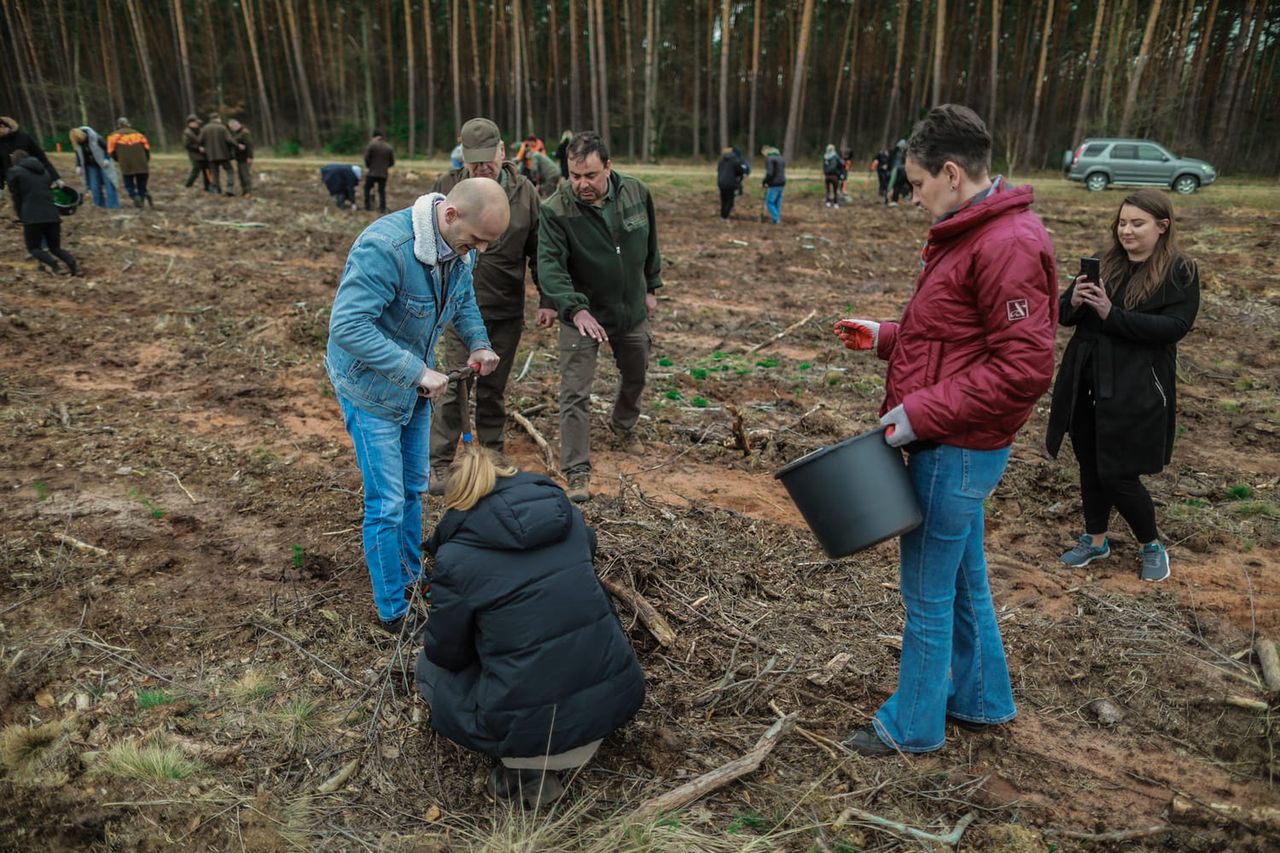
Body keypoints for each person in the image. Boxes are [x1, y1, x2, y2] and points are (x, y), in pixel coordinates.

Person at [833, 104, 1057, 756]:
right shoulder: (976, 231)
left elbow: (1023, 368)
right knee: (962, 579)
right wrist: (886, 337)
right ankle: (982, 698)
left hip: (954, 448)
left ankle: (913, 725)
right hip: (955, 440)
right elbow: (957, 339)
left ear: (952, 173)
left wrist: (920, 414)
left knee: (926, 592)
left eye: (918, 183)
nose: (914, 195)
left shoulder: (1004, 243)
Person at [414, 446, 645, 806]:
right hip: (611, 706)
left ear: (459, 499)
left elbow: (447, 654)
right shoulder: (568, 517)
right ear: (510, 475)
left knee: (428, 668)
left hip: (531, 733)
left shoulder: (457, 558)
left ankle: (524, 771)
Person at [325, 179, 508, 633]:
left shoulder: (459, 249)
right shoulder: (385, 248)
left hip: (413, 387)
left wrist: (479, 342)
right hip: (370, 389)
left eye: (487, 243)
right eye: (477, 240)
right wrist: (416, 370)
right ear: (451, 215)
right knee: (387, 502)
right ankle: (392, 609)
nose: (480, 251)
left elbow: (462, 299)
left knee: (413, 489)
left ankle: (409, 576)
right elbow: (347, 325)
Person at [1046, 190, 1199, 583]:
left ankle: (1151, 544)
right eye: (1122, 222)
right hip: (1086, 380)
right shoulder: (1105, 262)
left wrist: (1111, 314)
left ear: (1162, 226)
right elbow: (1063, 315)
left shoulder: (1180, 271)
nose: (1126, 230)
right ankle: (1096, 539)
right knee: (1090, 463)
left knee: (1118, 471)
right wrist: (1074, 301)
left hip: (1136, 385)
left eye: (1137, 223)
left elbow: (1174, 328)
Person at [538, 131, 662, 503]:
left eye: (590, 175)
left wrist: (651, 286)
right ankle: (576, 469)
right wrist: (575, 309)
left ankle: (623, 425)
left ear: (608, 167)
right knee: (575, 393)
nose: (582, 184)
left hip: (630, 310)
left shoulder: (636, 192)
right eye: (574, 176)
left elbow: (651, 242)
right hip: (582, 315)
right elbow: (551, 268)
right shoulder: (555, 209)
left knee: (636, 374)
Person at [428, 117, 540, 496]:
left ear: (502, 150)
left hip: (505, 309)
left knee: (493, 390)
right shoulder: (445, 187)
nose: (481, 166)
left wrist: (549, 299)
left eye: (487, 158)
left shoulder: (525, 193)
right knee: (454, 387)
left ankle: (492, 457)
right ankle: (439, 462)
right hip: (457, 309)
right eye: (473, 160)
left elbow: (539, 250)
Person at [7, 150, 80, 276]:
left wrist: (21, 215)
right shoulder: (44, 172)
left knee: (33, 248)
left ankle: (54, 265)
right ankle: (72, 264)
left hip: (32, 215)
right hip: (52, 214)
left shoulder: (14, 172)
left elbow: (16, 197)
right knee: (55, 248)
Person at [0, 117, 60, 192]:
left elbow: (42, 158)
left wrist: (55, 177)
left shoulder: (24, 138)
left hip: (33, 179)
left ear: (6, 126)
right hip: (14, 182)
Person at [68, 126, 120, 209]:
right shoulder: (77, 144)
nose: (80, 142)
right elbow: (78, 156)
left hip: (103, 164)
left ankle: (113, 206)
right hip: (91, 166)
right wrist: (78, 165)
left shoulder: (97, 138)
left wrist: (106, 158)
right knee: (94, 186)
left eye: (80, 140)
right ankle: (99, 205)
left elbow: (108, 148)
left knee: (109, 183)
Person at [106, 118, 151, 209]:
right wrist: (146, 160)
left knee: (129, 183)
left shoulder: (113, 137)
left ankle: (134, 196)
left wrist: (118, 159)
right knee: (142, 183)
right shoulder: (139, 135)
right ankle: (141, 200)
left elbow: (111, 151)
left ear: (118, 125)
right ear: (129, 124)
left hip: (126, 164)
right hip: (141, 163)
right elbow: (147, 149)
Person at [199, 113, 235, 195]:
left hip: (211, 156)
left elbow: (199, 140)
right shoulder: (222, 128)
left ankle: (216, 190)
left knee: (214, 173)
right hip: (224, 155)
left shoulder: (205, 128)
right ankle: (229, 188)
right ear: (218, 118)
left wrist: (202, 147)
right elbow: (229, 140)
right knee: (230, 171)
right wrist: (237, 145)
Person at [363, 129, 395, 213]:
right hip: (383, 173)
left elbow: (366, 158)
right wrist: (385, 166)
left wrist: (369, 166)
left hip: (372, 172)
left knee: (367, 188)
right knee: (381, 191)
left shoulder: (371, 145)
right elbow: (392, 162)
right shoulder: (388, 147)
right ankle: (382, 207)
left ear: (374, 136)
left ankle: (367, 206)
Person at [716, 146, 748, 220]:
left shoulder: (721, 160)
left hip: (721, 182)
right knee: (730, 201)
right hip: (730, 183)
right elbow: (740, 171)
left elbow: (718, 170)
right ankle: (725, 216)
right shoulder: (736, 160)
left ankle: (722, 215)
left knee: (723, 199)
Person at [182, 114, 211, 191]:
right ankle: (188, 185)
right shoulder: (187, 133)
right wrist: (198, 148)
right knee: (195, 172)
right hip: (195, 156)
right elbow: (187, 145)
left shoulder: (200, 130)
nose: (197, 124)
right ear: (190, 123)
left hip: (204, 155)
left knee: (208, 171)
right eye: (195, 122)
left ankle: (208, 186)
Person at [227, 118, 254, 197]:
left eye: (232, 127)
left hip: (244, 157)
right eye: (230, 128)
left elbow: (249, 145)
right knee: (241, 175)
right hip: (239, 158)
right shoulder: (237, 133)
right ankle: (244, 191)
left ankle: (248, 191)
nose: (231, 129)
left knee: (245, 175)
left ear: (236, 125)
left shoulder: (244, 133)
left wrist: (249, 157)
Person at [760, 144, 785, 224]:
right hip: (782, 182)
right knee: (777, 202)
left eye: (763, 154)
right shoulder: (781, 158)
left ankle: (776, 218)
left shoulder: (770, 159)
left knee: (769, 202)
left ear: (766, 151)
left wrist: (764, 182)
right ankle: (776, 220)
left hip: (774, 183)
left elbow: (770, 173)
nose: (764, 156)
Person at [887, 138, 911, 207]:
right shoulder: (907, 153)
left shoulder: (896, 153)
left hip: (900, 171)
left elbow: (890, 162)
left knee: (897, 186)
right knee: (911, 185)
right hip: (904, 170)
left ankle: (894, 200)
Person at [822, 144, 846, 208]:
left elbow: (824, 166)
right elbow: (841, 164)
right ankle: (835, 203)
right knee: (835, 190)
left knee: (828, 190)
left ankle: (828, 202)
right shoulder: (835, 156)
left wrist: (825, 173)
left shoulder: (825, 156)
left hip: (827, 176)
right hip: (834, 176)